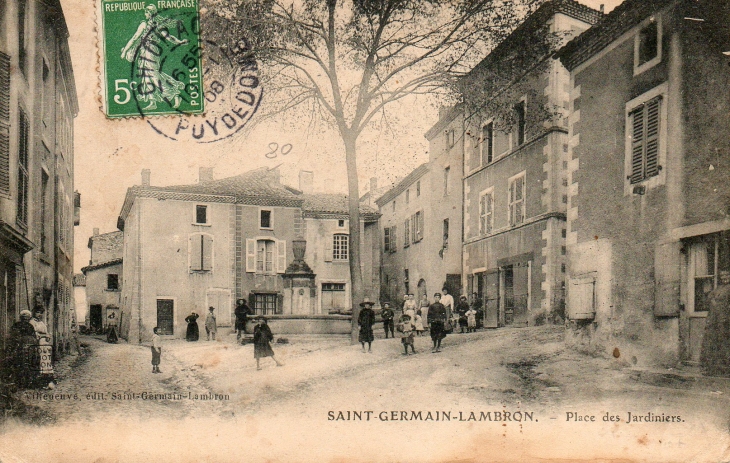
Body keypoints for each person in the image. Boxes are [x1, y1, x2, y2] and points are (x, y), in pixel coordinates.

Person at [120, 5, 188, 110]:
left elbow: (167, 37)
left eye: (146, 12)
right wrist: (179, 42)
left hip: (151, 52)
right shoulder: (150, 24)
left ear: (150, 13)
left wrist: (179, 42)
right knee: (145, 75)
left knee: (153, 75)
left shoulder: (153, 25)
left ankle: (174, 94)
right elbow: (135, 38)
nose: (145, 14)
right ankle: (152, 102)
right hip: (144, 51)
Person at [700, 270, 730, 376]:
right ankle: (713, 369)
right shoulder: (719, 288)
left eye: (727, 275)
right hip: (714, 320)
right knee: (713, 342)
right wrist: (712, 299)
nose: (724, 277)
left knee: (725, 344)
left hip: (725, 321)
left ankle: (726, 370)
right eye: (722, 275)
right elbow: (709, 296)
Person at [7, 310, 36, 388]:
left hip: (28, 347)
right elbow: (13, 336)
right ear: (21, 318)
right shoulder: (16, 325)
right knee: (19, 363)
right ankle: (19, 381)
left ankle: (27, 381)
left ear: (29, 318)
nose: (25, 319)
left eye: (27, 317)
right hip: (19, 346)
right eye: (24, 317)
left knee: (27, 363)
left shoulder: (30, 326)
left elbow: (33, 337)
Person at [29, 306, 54, 385]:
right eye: (38, 312)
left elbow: (46, 332)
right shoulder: (32, 322)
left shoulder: (41, 322)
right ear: (34, 313)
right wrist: (44, 336)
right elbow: (35, 334)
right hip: (38, 343)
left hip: (45, 343)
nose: (39, 314)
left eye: (41, 313)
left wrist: (48, 336)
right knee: (41, 358)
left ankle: (47, 375)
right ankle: (42, 375)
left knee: (46, 358)